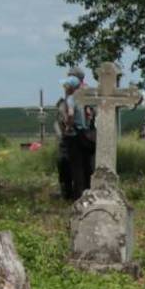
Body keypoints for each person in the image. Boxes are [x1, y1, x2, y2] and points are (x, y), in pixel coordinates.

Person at [56, 69, 93, 199]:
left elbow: (72, 114)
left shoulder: (78, 96)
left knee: (79, 166)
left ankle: (78, 194)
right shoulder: (78, 97)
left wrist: (69, 125)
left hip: (75, 135)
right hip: (82, 135)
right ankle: (75, 191)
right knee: (71, 164)